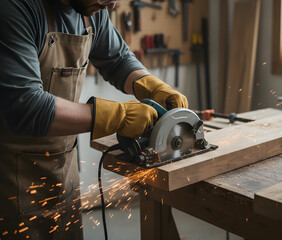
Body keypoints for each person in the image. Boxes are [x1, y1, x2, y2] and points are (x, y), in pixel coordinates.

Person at [0, 0, 188, 239]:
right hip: (12, 182)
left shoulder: (90, 9)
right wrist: (116, 115)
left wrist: (148, 84)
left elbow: (118, 60)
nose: (113, 3)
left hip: (63, 171)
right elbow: (25, 107)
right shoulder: (16, 8)